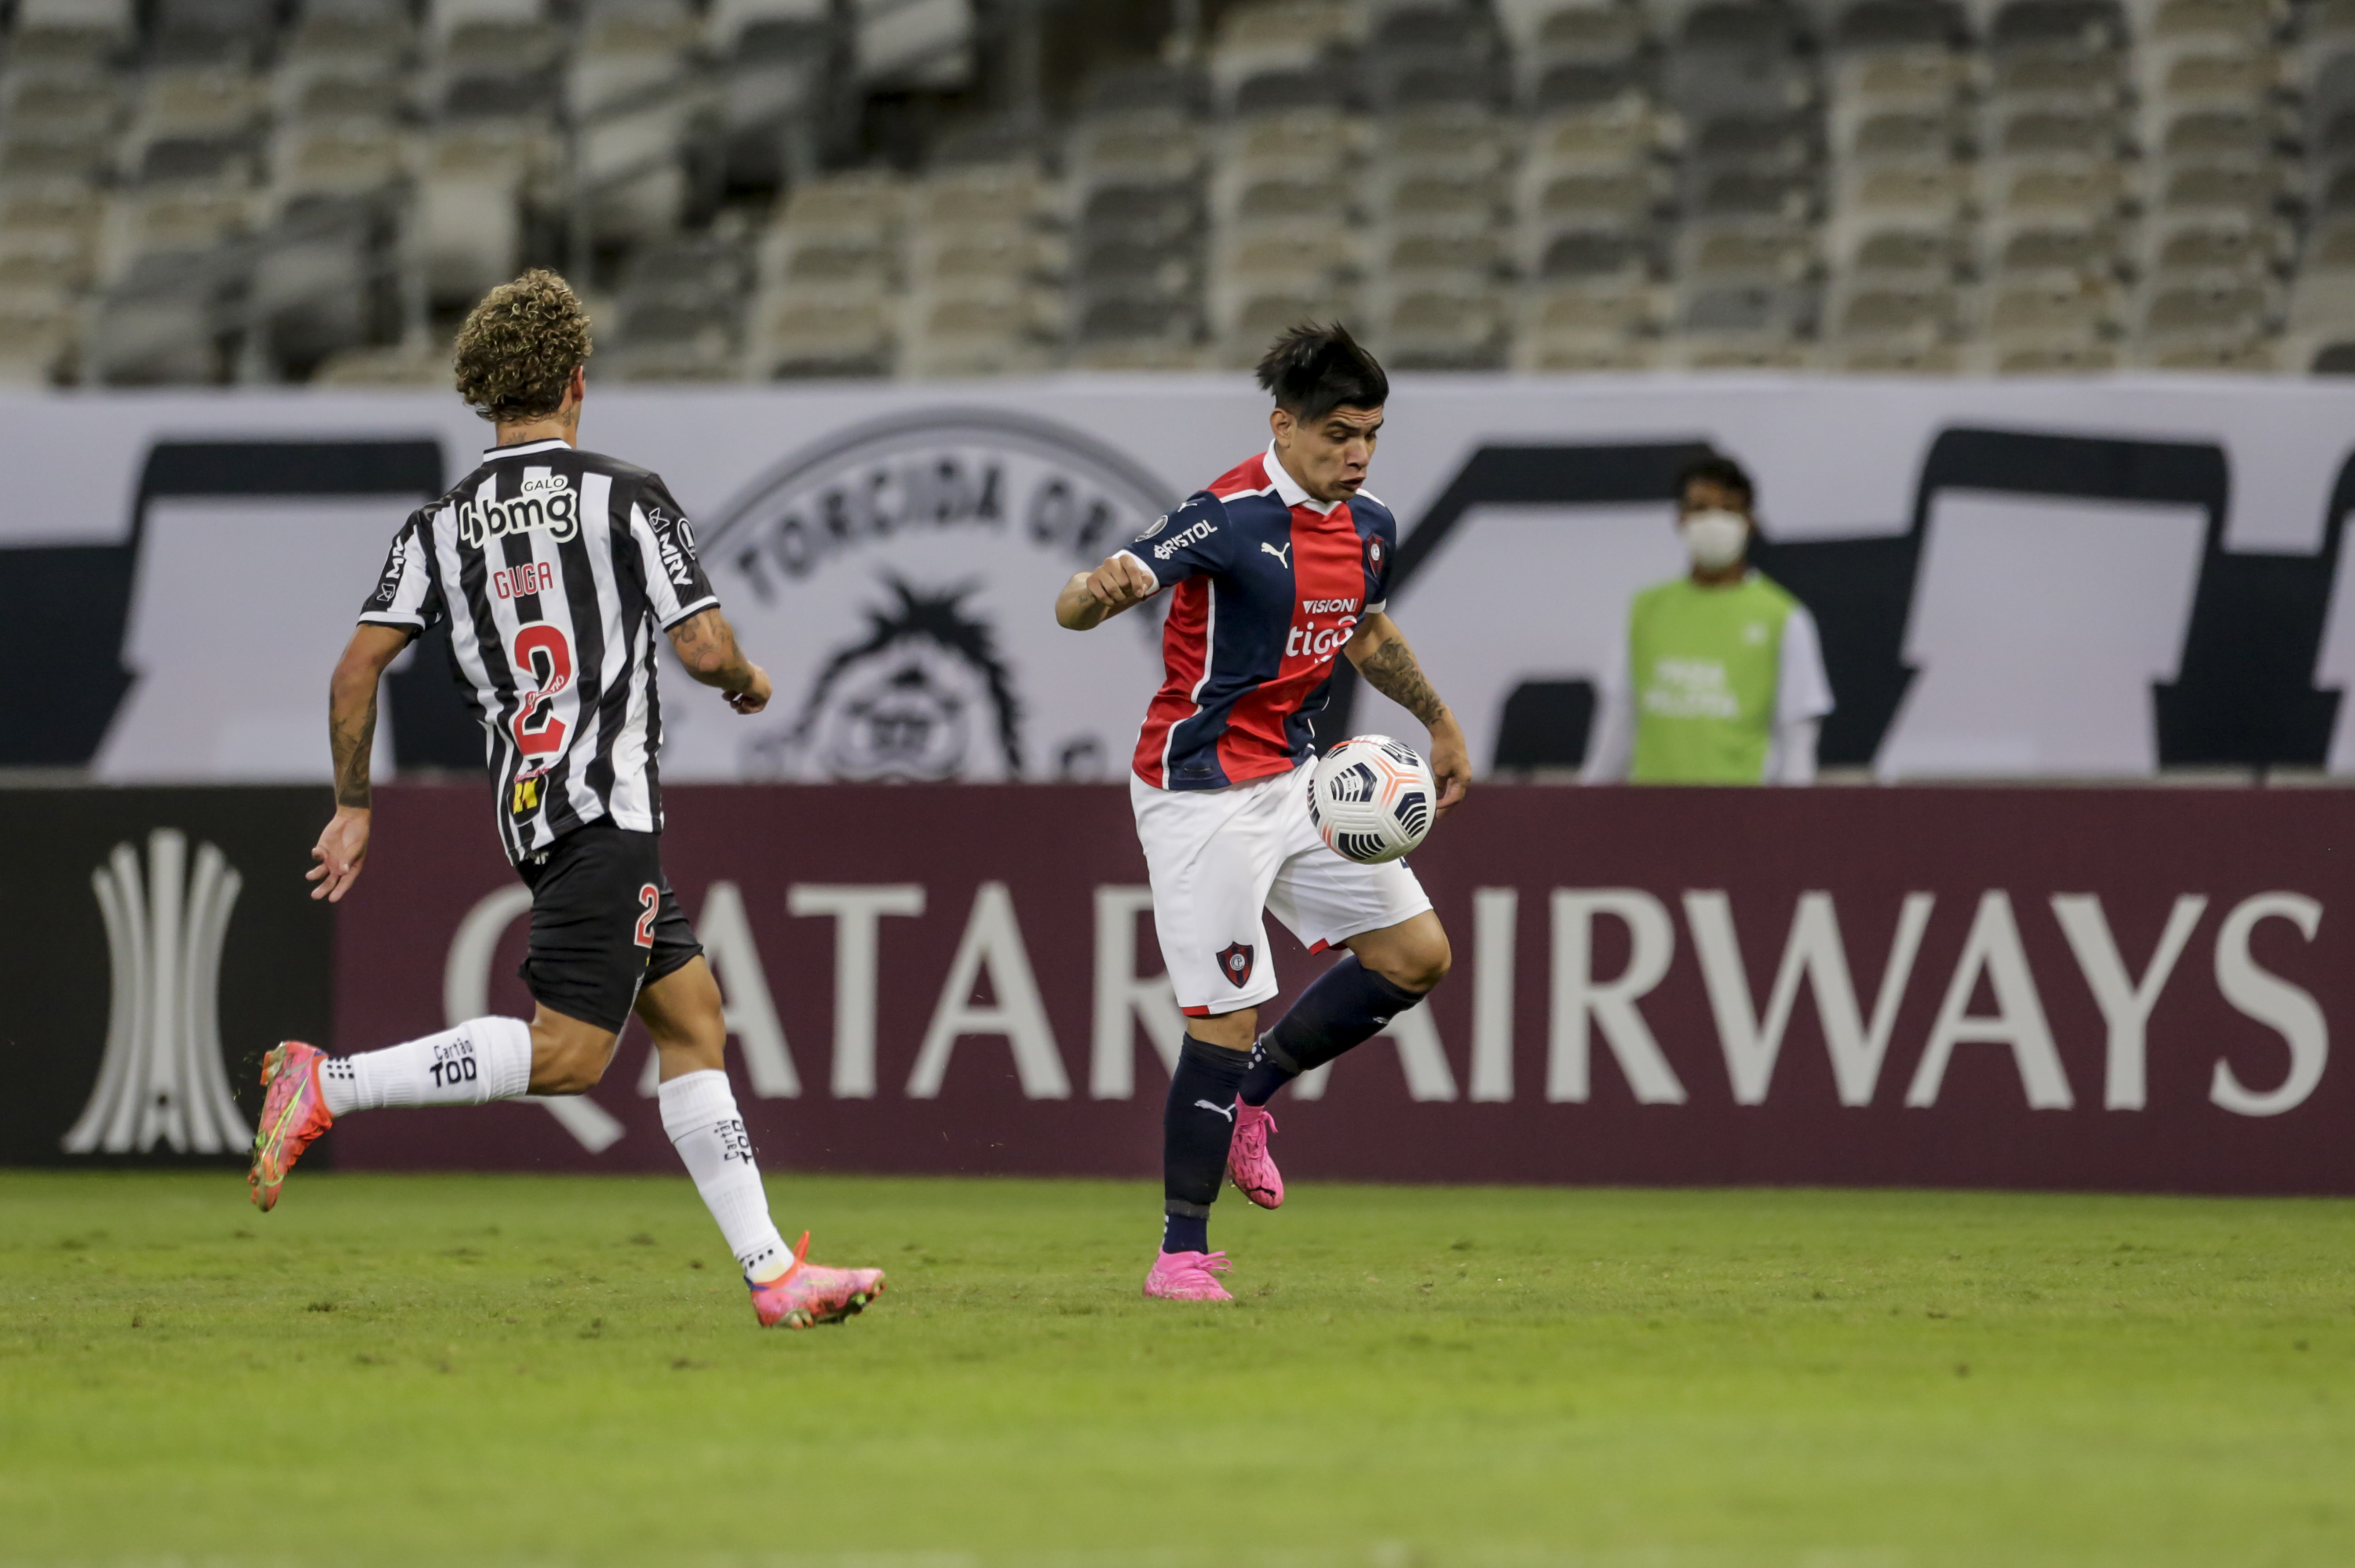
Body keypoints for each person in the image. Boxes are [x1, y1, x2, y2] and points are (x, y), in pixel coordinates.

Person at [246, 271, 885, 1331]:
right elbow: (704, 643)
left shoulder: (437, 527)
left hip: (538, 812)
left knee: (693, 1018)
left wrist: (354, 804)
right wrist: (745, 682)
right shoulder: (624, 495)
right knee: (571, 1055)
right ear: (577, 385)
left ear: (486, 395)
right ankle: (328, 1082)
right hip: (606, 809)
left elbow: (355, 672)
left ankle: (774, 1272)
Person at [1054, 323, 1469, 1303]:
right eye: (1336, 433)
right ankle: (1181, 1254)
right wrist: (1093, 592)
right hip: (1199, 795)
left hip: (1296, 779)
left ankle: (1252, 1100)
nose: (1357, 452)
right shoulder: (1226, 518)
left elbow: (1362, 629)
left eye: (1369, 432)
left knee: (1418, 956)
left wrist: (1439, 720)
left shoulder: (1371, 525)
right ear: (1283, 426)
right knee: (1225, 1014)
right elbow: (1085, 599)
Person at [1583, 452, 1834, 786]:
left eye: (1727, 509)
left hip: (1741, 815)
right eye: (1700, 508)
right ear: (1680, 519)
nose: (1713, 521)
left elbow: (1797, 739)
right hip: (1650, 813)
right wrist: (1585, 802)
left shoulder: (1783, 616)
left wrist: (1793, 823)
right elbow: (1619, 721)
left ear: (1750, 521)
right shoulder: (1645, 609)